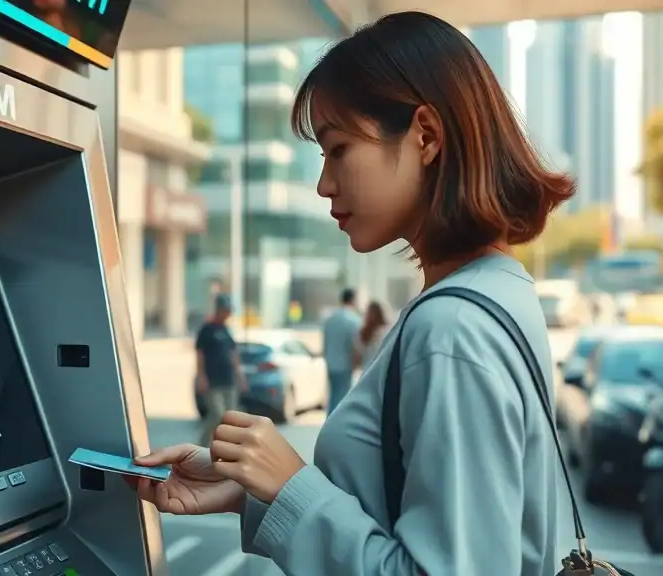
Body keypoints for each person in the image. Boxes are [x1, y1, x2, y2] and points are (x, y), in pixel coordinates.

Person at [129, 12, 575, 576]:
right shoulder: (499, 292)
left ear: (426, 136)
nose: (323, 184)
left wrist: (291, 486)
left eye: (338, 149)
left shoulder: (452, 330)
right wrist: (250, 486)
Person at [194, 294, 247, 447]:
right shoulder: (207, 329)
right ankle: (202, 445)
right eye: (226, 310)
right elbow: (199, 354)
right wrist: (201, 376)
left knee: (231, 417)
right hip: (212, 380)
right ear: (219, 310)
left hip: (229, 379)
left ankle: (226, 448)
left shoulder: (226, 330)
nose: (228, 314)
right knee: (217, 414)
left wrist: (240, 376)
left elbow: (234, 353)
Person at [322, 288, 363, 414]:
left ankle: (329, 423)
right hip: (345, 365)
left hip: (330, 363)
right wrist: (357, 364)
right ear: (353, 300)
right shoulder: (353, 320)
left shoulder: (330, 319)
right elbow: (355, 345)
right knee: (342, 399)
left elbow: (325, 343)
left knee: (333, 397)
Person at [357, 301, 390, 372]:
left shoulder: (363, 332)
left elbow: (358, 354)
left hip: (366, 369)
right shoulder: (388, 330)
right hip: (382, 370)